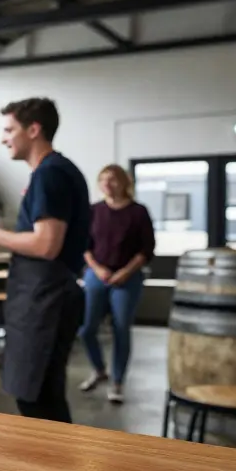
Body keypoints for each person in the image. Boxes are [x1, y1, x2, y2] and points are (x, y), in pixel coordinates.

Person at [0, 98, 90, 423]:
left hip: (47, 299)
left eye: (8, 130)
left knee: (37, 398)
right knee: (41, 394)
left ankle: (53, 456)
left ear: (33, 130)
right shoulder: (55, 171)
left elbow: (46, 245)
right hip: (43, 296)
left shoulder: (49, 174)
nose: (3, 139)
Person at [78, 164, 155, 404]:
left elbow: (147, 249)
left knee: (121, 328)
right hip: (96, 275)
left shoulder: (138, 212)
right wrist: (97, 268)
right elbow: (84, 246)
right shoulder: (93, 211)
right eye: (103, 180)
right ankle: (99, 370)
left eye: (112, 179)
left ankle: (118, 382)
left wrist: (125, 272)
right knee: (86, 329)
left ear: (124, 182)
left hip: (127, 278)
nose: (107, 184)